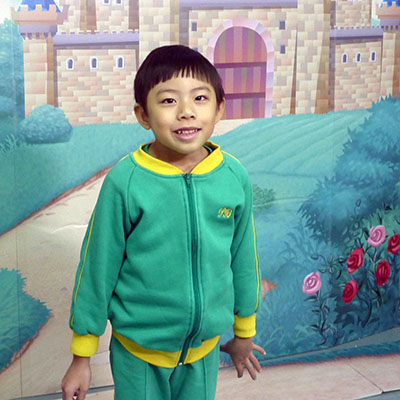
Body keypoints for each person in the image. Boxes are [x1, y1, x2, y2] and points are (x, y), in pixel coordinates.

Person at [61, 44, 265, 400]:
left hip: (202, 353)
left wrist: (243, 332)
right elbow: (97, 268)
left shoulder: (233, 177)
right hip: (138, 353)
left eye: (200, 98)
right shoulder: (126, 181)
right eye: (169, 100)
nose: (186, 112)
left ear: (219, 109)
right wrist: (82, 355)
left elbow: (244, 260)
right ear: (143, 115)